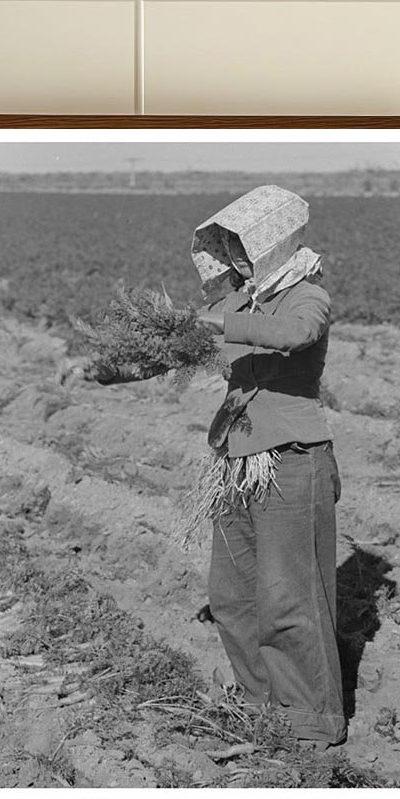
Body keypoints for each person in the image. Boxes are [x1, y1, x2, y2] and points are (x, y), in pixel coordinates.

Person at [83, 185, 346, 748]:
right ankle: (261, 706)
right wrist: (103, 371)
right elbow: (173, 354)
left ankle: (311, 720)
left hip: (291, 459)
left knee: (288, 596)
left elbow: (295, 336)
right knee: (232, 594)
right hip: (234, 462)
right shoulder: (237, 305)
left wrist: (220, 324)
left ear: (273, 243)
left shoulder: (306, 296)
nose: (237, 261)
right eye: (230, 249)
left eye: (245, 247)